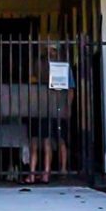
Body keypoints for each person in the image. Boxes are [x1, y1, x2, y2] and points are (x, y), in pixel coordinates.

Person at [25, 45, 72, 185]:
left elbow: (70, 89)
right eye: (49, 49)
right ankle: (39, 173)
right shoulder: (41, 65)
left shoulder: (63, 67)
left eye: (53, 50)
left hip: (52, 108)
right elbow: (31, 80)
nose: (50, 52)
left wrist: (67, 107)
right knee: (39, 141)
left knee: (48, 141)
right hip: (40, 107)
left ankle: (44, 173)